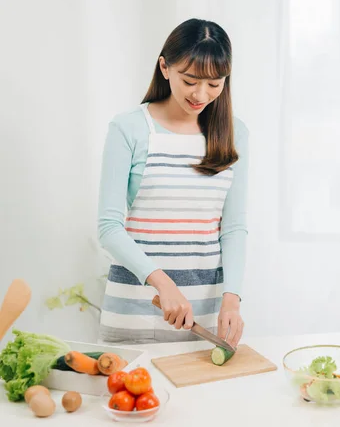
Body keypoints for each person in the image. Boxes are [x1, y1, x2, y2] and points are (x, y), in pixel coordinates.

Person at [97, 18, 249, 348]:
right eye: (190, 80)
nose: (201, 94)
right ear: (165, 68)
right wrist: (163, 284)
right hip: (135, 306)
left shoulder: (235, 134)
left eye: (215, 83)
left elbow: (233, 228)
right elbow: (109, 227)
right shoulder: (129, 128)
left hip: (203, 315)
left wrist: (232, 300)